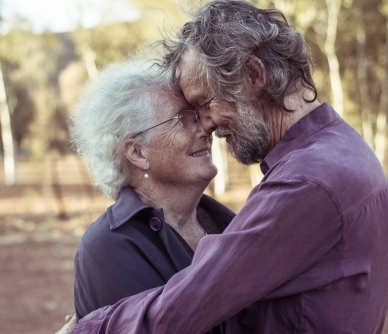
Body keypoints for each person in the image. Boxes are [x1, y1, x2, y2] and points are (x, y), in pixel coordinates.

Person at [66, 0, 388, 333]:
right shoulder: (339, 151)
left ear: (253, 75)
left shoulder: (308, 181)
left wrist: (88, 329)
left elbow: (187, 306)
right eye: (187, 117)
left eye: (204, 103)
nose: (208, 125)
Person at [69, 59, 236, 334]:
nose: (206, 128)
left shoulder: (229, 224)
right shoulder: (108, 247)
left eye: (198, 115)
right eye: (184, 119)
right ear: (137, 153)